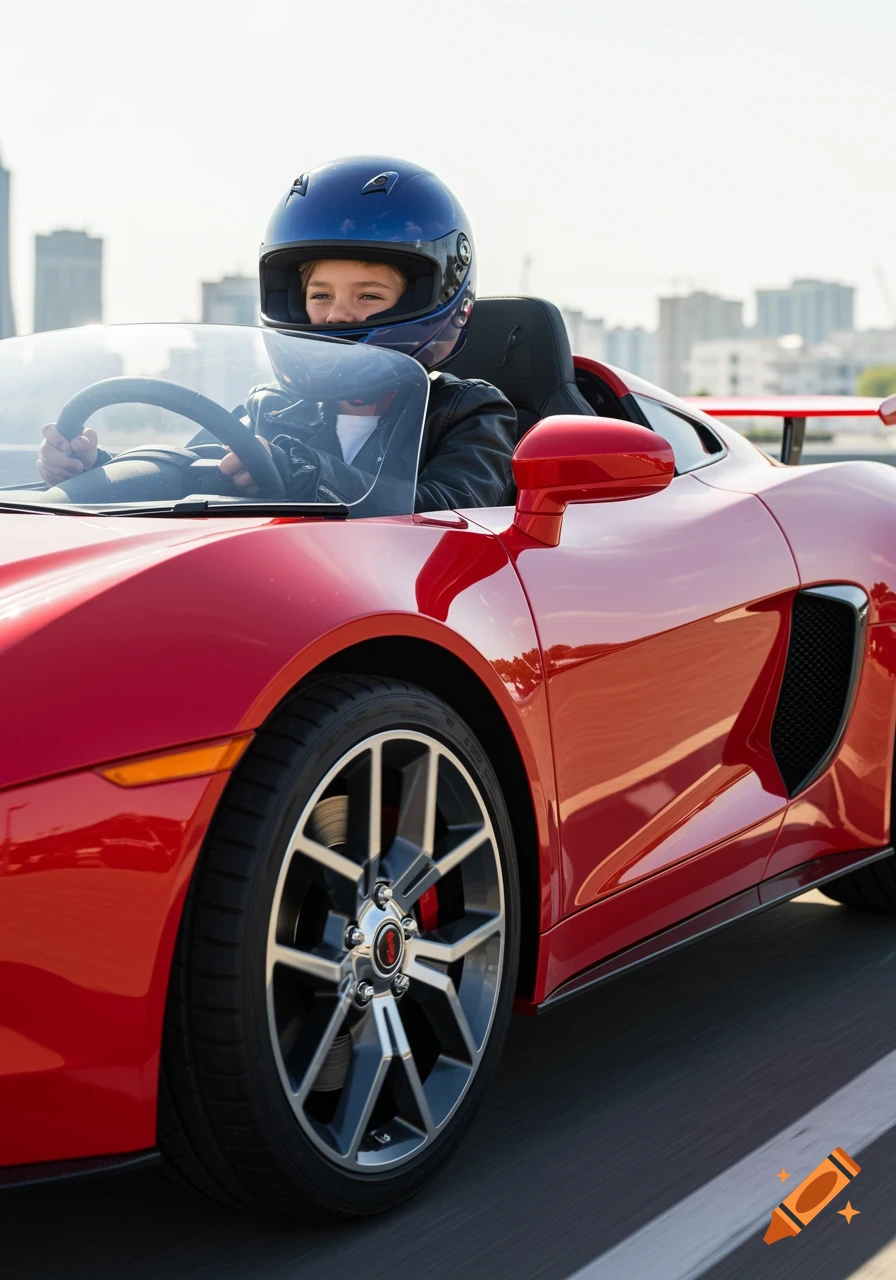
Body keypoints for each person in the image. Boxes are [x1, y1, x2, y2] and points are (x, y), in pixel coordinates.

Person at [37, 156, 518, 512]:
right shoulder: (270, 409)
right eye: (321, 296)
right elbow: (195, 465)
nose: (336, 317)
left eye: (368, 296)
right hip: (282, 596)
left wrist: (304, 473)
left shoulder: (467, 413)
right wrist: (95, 464)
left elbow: (453, 512)